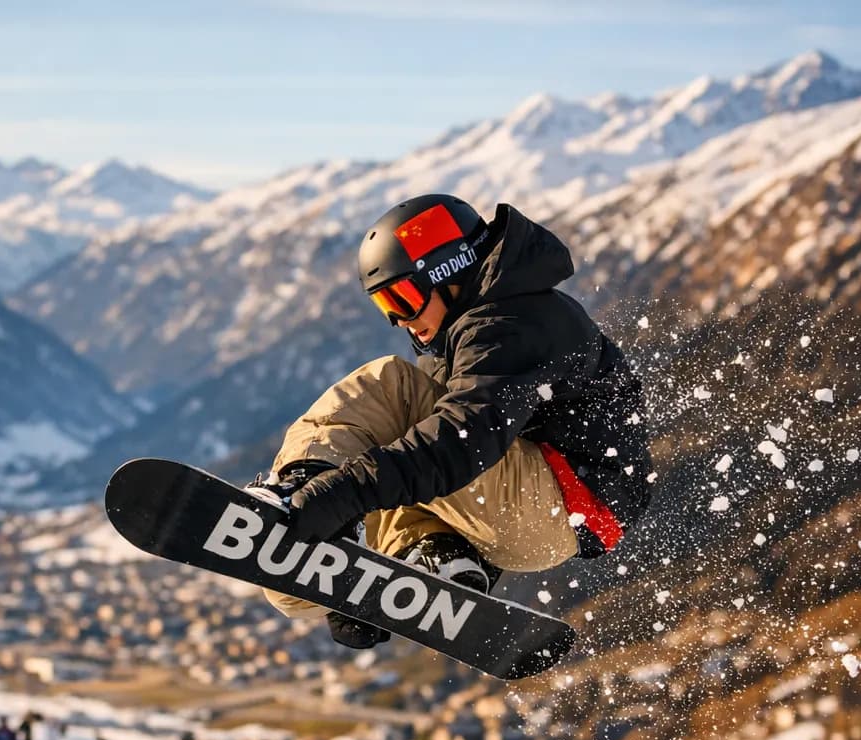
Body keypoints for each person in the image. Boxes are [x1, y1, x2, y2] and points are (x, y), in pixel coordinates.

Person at [247, 195, 651, 649]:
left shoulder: (512, 321)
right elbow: (466, 457)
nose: (400, 320)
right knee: (397, 466)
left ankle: (298, 482)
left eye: (403, 297)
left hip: (560, 499)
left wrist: (338, 491)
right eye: (385, 306)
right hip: (557, 521)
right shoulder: (474, 332)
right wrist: (358, 590)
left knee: (392, 385)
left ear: (448, 272)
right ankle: (437, 558)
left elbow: (462, 443)